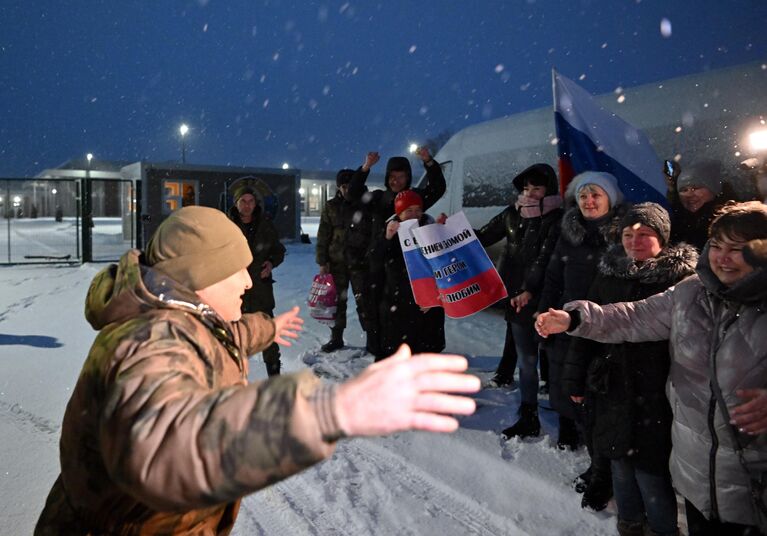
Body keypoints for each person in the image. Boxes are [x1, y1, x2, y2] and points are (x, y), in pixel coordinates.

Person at [34, 206, 480, 535]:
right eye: (237, 271)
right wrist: (328, 411)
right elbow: (167, 449)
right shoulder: (155, 339)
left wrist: (266, 327)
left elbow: (220, 337)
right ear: (198, 277)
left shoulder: (183, 317)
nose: (248, 282)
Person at [536, 201, 767, 535]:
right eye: (717, 246)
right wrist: (574, 318)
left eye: (738, 249)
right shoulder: (690, 293)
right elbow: (632, 316)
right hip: (698, 472)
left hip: (754, 481)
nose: (722, 257)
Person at [560, 203, 697, 532]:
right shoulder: (609, 273)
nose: (635, 240)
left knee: (651, 472)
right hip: (611, 387)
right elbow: (586, 334)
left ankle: (663, 529)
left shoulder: (683, 282)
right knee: (619, 462)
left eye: (645, 234)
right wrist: (575, 380)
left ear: (662, 238)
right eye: (627, 233)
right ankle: (630, 524)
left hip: (657, 392)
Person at [536, 171, 628, 509]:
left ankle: (604, 473)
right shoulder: (569, 233)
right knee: (575, 399)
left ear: (610, 200)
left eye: (596, 196)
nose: (589, 202)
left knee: (602, 404)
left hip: (606, 331)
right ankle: (597, 464)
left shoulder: (624, 235)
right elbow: (553, 276)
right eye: (584, 196)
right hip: (569, 326)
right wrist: (543, 310)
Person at [474, 163, 564, 440]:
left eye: (537, 188)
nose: (531, 194)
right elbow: (482, 236)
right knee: (526, 359)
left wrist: (529, 290)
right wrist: (445, 233)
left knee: (552, 358)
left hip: (545, 298)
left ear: (548, 189)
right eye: (526, 188)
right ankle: (529, 414)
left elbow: (545, 258)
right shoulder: (512, 214)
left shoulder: (557, 218)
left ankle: (565, 418)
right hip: (517, 298)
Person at [348, 148, 446, 359]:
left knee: (409, 315)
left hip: (409, 266)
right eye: (392, 177)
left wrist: (429, 162)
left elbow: (438, 188)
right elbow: (354, 194)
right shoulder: (378, 198)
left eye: (401, 176)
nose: (396, 181)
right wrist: (365, 167)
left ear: (408, 177)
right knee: (377, 312)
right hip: (379, 261)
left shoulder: (415, 199)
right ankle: (379, 349)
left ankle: (413, 352)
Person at [380, 190, 446, 358]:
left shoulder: (430, 228)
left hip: (429, 302)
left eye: (418, 209)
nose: (414, 214)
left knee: (427, 346)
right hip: (399, 300)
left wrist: (442, 231)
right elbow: (375, 259)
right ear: (399, 213)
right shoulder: (389, 230)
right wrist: (388, 238)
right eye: (408, 210)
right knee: (400, 347)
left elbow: (443, 263)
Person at [228, 186, 286, 376]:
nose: (247, 205)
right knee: (234, 336)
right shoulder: (227, 226)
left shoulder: (265, 225)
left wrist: (270, 263)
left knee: (267, 334)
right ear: (236, 203)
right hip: (234, 292)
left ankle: (275, 379)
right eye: (243, 201)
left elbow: (278, 251)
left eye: (250, 201)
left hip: (261, 290)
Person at [315, 168, 373, 352]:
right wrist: (322, 261)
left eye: (350, 185)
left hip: (360, 263)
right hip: (336, 263)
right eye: (343, 186)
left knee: (364, 300)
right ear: (339, 187)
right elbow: (323, 234)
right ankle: (336, 337)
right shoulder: (331, 206)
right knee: (336, 302)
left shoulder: (366, 204)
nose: (347, 190)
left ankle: (372, 338)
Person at [668, 159, 731, 250]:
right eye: (684, 190)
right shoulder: (674, 224)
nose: (689, 195)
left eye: (696, 188)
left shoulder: (730, 221)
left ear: (713, 189)